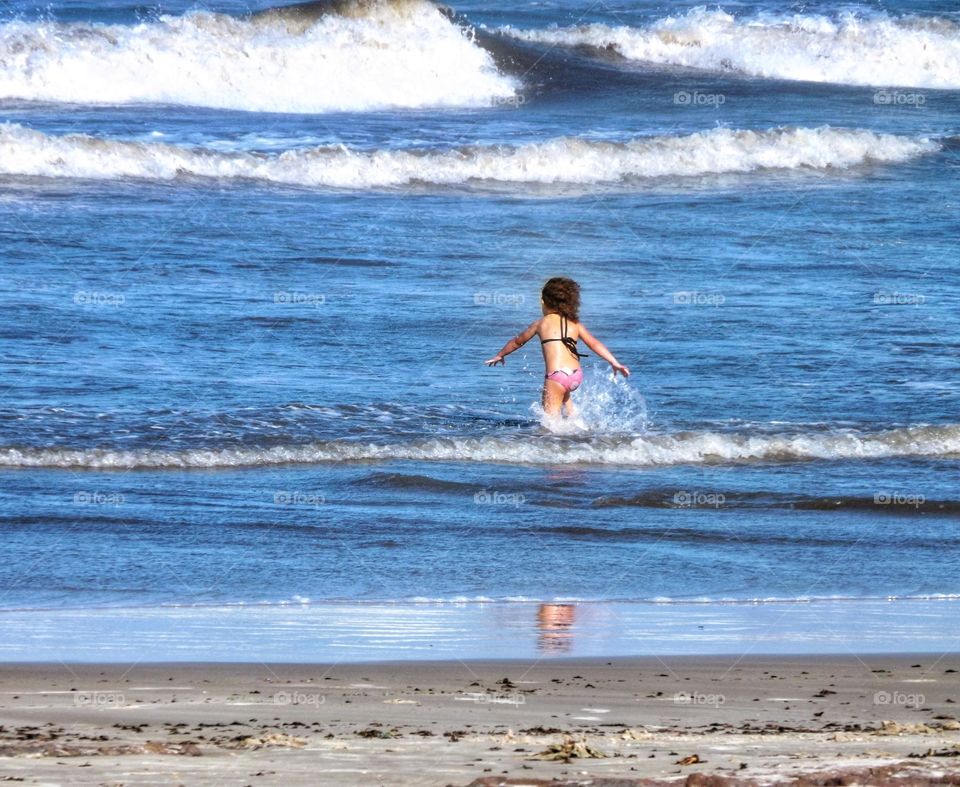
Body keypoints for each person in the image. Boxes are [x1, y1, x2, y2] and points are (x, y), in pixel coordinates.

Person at [484, 277, 630, 417]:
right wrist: (614, 362)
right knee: (570, 413)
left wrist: (500, 354)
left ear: (544, 302)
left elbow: (517, 341)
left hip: (556, 377)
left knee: (550, 423)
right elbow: (594, 343)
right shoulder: (575, 323)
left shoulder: (541, 323)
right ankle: (583, 434)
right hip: (575, 375)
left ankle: (556, 441)